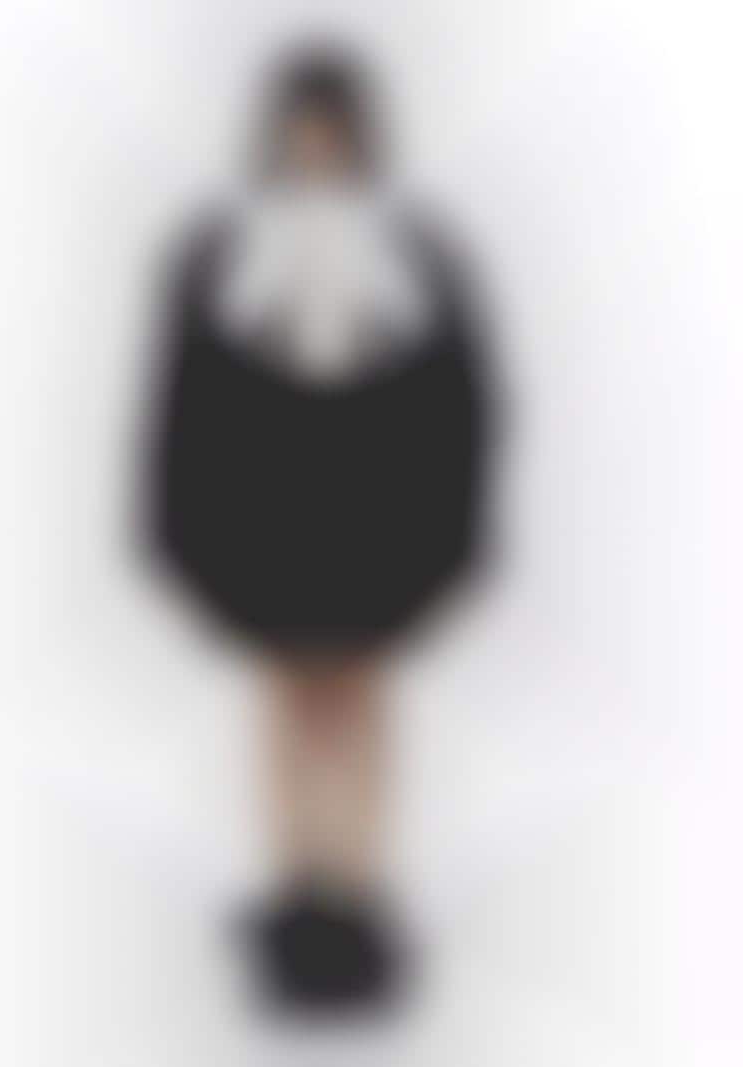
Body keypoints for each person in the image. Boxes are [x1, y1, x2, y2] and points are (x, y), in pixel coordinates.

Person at [149, 44, 500, 1013]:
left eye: (328, 130)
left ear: (357, 134)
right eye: (299, 131)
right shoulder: (229, 242)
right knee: (288, 698)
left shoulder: (408, 243)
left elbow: (452, 385)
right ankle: (299, 892)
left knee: (356, 696)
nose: (313, 147)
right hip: (276, 502)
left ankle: (355, 889)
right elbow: (191, 384)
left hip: (366, 501)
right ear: (273, 135)